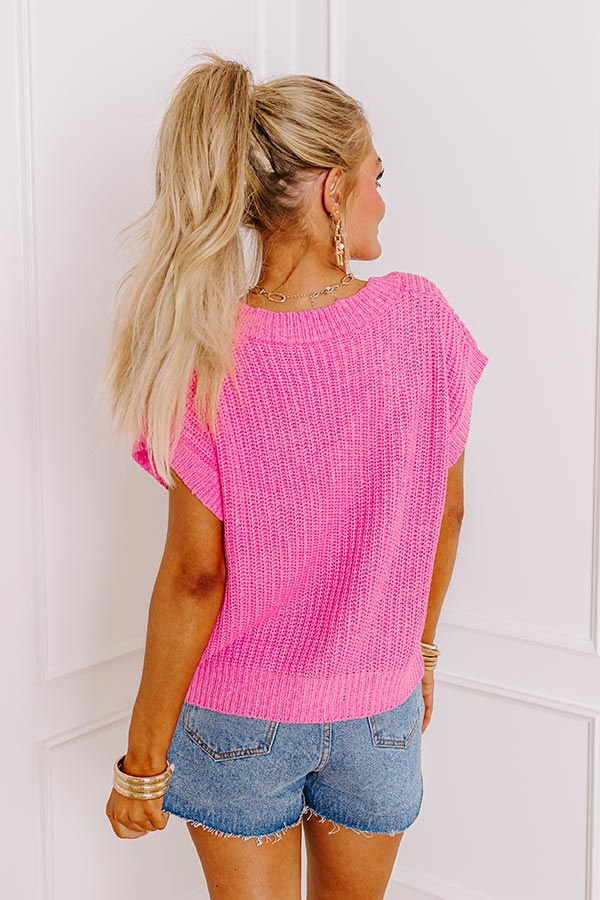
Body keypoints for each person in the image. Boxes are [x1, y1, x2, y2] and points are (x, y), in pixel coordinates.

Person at [100, 50, 489, 900]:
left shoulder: (205, 353)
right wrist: (419, 651)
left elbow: (196, 576)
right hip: (379, 713)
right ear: (332, 191)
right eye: (376, 176)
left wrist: (143, 762)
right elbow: (447, 512)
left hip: (238, 720)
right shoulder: (421, 319)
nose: (382, 198)